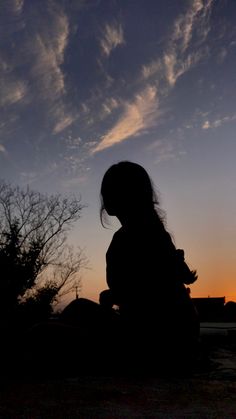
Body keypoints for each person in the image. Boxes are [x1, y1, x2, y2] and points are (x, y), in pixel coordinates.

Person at [99, 161, 199, 374]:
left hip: (152, 339)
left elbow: (143, 294)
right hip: (178, 335)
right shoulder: (155, 233)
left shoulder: (129, 237)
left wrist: (110, 296)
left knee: (44, 333)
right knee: (78, 310)